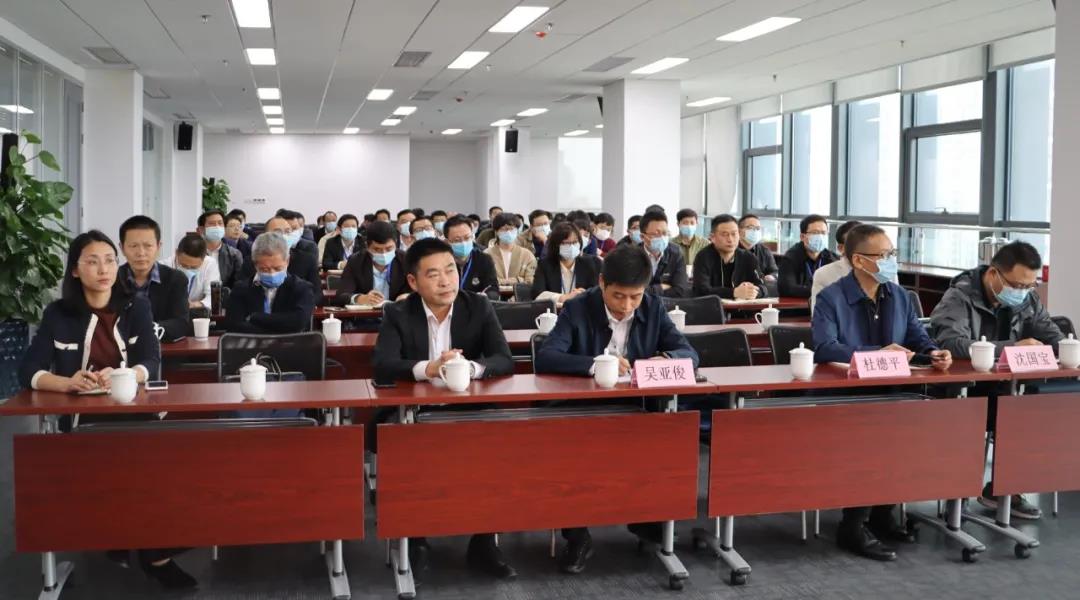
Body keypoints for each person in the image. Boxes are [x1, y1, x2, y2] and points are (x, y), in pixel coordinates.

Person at [17, 232, 195, 590]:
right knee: (110, 475)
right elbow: (29, 371)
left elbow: (151, 361)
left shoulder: (136, 307)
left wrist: (126, 374)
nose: (104, 269)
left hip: (136, 417)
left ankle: (149, 549)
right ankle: (142, 548)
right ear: (75, 270)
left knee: (163, 472)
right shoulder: (58, 314)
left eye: (110, 260)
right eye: (92, 261)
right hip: (84, 423)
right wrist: (67, 383)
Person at [534, 244, 699, 574]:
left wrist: (666, 359)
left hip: (636, 408)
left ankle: (646, 521)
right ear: (602, 283)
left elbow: (690, 354)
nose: (626, 306)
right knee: (574, 454)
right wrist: (594, 363)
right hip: (582, 410)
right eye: (618, 296)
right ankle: (577, 536)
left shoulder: (653, 306)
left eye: (635, 297)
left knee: (666, 435)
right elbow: (547, 357)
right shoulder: (578, 307)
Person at [371, 238, 515, 579]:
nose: (445, 281)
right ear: (413, 281)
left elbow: (504, 359)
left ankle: (484, 542)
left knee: (497, 449)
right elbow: (382, 365)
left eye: (450, 271)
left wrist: (469, 369)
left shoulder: (478, 306)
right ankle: (416, 540)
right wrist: (429, 369)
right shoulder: (397, 312)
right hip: (413, 414)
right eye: (433, 274)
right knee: (408, 451)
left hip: (469, 412)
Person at [812, 224, 952, 562]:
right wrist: (876, 353)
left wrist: (934, 352)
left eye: (892, 254)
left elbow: (917, 338)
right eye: (884, 255)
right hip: (848, 395)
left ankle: (882, 514)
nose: (891, 260)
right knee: (870, 438)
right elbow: (825, 347)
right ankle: (853, 524)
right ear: (859, 260)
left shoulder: (899, 295)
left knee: (905, 436)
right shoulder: (832, 297)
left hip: (895, 390)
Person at [931, 241, 1063, 520]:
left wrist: (1067, 349)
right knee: (1003, 411)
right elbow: (952, 343)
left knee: (1032, 411)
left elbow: (1051, 334)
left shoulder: (1027, 299)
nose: (1023, 292)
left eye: (1030, 286)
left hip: (1005, 388)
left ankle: (1003, 488)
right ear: (993, 274)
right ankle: (959, 492)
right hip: (961, 389)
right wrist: (1012, 348)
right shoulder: (959, 296)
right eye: (1017, 285)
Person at [116, 216, 191, 341]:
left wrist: (146, 330)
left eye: (148, 246)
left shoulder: (175, 279)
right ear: (122, 248)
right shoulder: (112, 279)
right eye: (133, 246)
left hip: (163, 350)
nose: (141, 253)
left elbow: (181, 323)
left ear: (158, 247)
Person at [225, 232, 315, 334]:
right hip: (251, 344)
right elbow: (234, 326)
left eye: (277, 268)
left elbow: (298, 322)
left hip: (290, 343)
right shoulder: (241, 289)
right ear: (255, 265)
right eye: (265, 269)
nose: (272, 273)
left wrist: (255, 317)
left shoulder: (302, 288)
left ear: (287, 261)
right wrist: (280, 328)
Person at [692, 214, 768, 300]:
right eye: (724, 234)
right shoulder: (703, 257)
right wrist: (734, 292)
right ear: (712, 237)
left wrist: (754, 292)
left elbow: (763, 287)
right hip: (713, 308)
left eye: (734, 234)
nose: (730, 239)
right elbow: (701, 290)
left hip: (743, 307)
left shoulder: (748, 257)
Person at [335, 220, 409, 306]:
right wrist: (359, 298)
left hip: (397, 312)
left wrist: (408, 296)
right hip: (366, 313)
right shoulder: (356, 261)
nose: (383, 253)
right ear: (367, 246)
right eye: (377, 249)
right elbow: (341, 295)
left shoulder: (405, 260)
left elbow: (416, 290)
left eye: (389, 249)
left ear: (396, 243)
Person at [245, 215, 321, 294]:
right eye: (277, 232)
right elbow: (242, 291)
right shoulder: (251, 260)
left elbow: (316, 293)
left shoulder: (308, 260)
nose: (284, 235)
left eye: (287, 231)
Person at [531, 222, 602, 303]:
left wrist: (586, 294)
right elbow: (537, 293)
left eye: (575, 242)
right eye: (565, 243)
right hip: (556, 309)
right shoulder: (545, 264)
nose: (571, 247)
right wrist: (562, 297)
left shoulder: (593, 263)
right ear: (556, 245)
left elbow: (600, 291)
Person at [810, 220, 864, 313]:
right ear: (841, 248)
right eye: (854, 244)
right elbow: (820, 316)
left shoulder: (880, 272)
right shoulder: (824, 274)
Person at [779, 214, 838, 298]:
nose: (820, 237)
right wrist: (822, 291)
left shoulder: (832, 258)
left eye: (823, 233)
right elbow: (787, 289)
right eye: (815, 233)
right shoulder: (790, 258)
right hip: (800, 305)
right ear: (802, 237)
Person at [443, 215, 499, 300]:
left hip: (476, 304)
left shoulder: (484, 259)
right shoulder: (440, 261)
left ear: (472, 236)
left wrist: (486, 295)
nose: (463, 243)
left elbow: (493, 289)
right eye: (457, 240)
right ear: (447, 242)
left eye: (467, 238)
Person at [637, 210, 690, 297]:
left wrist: (649, 291)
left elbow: (680, 290)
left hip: (667, 304)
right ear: (642, 237)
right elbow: (632, 290)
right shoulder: (633, 255)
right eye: (656, 234)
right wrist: (660, 288)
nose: (662, 238)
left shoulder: (675, 253)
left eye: (665, 233)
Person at [164, 233, 219, 312]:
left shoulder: (210, 264)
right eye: (184, 265)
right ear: (176, 253)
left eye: (194, 267)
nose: (188, 270)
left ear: (203, 259)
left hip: (198, 313)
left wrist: (196, 305)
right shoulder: (164, 266)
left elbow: (214, 298)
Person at [485, 212, 537, 286]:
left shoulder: (527, 255)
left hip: (519, 293)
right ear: (496, 232)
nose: (508, 232)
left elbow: (531, 281)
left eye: (512, 229)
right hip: (494, 293)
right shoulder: (486, 255)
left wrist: (501, 281)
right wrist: (518, 280)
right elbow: (485, 280)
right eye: (504, 229)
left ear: (517, 230)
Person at [198, 210, 243, 289]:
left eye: (220, 223)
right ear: (202, 229)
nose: (217, 226)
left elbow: (238, 283)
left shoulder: (234, 254)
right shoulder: (194, 252)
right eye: (212, 223)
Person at [738, 214, 778, 280]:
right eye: (750, 227)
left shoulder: (764, 251)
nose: (755, 231)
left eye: (758, 228)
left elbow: (775, 271)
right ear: (739, 231)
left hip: (760, 285)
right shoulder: (731, 249)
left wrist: (772, 276)